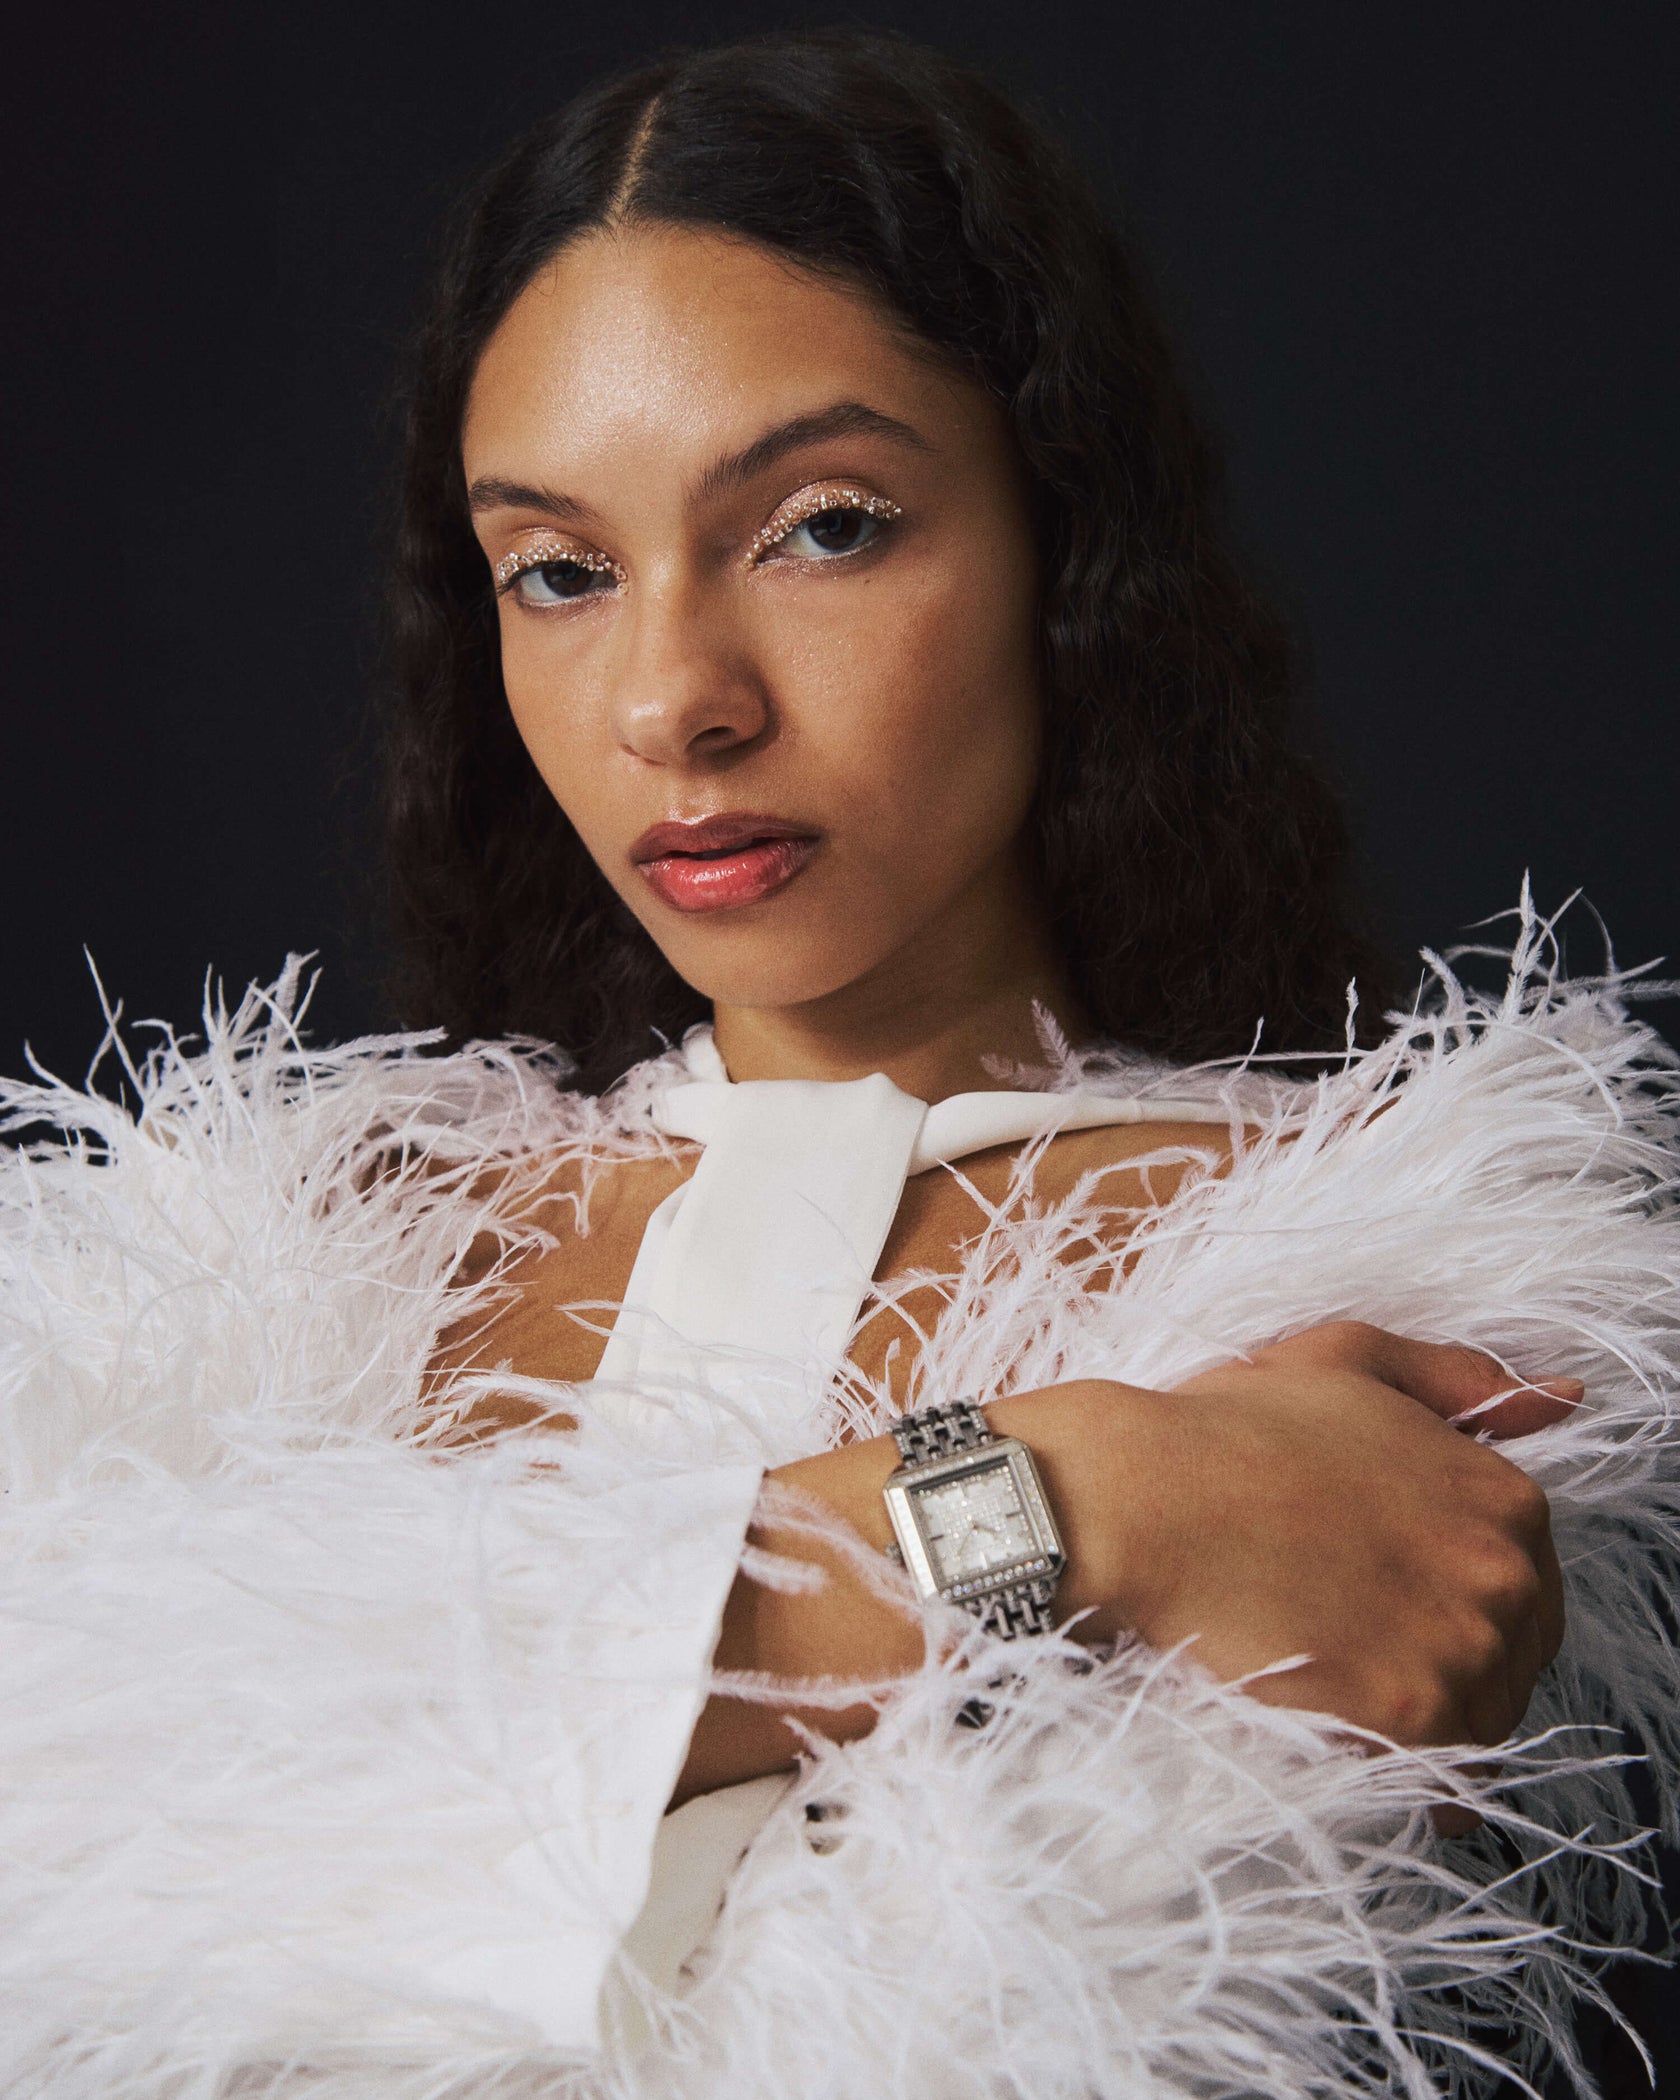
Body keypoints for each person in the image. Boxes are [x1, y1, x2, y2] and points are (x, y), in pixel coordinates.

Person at [2, 29, 1675, 2100]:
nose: (673, 701)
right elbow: (41, 1767)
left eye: (822, 526)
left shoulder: (1367, 1297)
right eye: (562, 571)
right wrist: (1072, 1496)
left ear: (1063, 542)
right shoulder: (298, 1241)